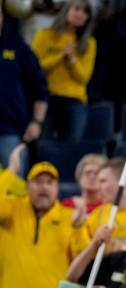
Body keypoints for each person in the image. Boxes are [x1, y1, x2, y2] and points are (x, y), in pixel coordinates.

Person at [0, 145, 77, 288]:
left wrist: (79, 230)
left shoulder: (70, 218)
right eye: (38, 181)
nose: (44, 187)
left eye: (50, 182)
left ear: (57, 188)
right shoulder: (12, 209)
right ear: (26, 187)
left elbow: (79, 263)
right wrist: (11, 171)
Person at [32, 0, 96, 142]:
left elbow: (84, 77)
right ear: (66, 10)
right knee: (44, 144)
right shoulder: (44, 35)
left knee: (72, 145)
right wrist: (60, 56)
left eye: (85, 12)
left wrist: (72, 59)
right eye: (77, 9)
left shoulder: (89, 43)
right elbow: (35, 68)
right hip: (47, 98)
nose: (80, 14)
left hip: (75, 100)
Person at [0, 4, 48, 172]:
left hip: (10, 130)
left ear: (2, 18)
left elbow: (40, 87)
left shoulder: (18, 47)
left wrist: (37, 121)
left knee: (15, 185)